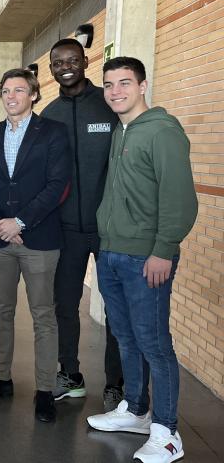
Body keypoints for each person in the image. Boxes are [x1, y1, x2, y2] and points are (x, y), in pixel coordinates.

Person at [87, 57, 197, 463]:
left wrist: (162, 249)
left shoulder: (163, 131)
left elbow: (180, 200)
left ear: (143, 85)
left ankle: (167, 433)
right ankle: (135, 409)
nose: (116, 91)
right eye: (110, 84)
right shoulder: (122, 129)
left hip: (145, 257)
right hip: (112, 251)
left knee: (154, 343)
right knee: (126, 337)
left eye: (124, 83)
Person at [0, 68, 72, 423]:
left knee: (43, 314)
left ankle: (45, 389)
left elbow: (58, 185)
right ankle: (1, 378)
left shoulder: (53, 133)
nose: (11, 96)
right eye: (6, 91)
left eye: (19, 90)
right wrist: (0, 225)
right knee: (1, 310)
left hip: (39, 239)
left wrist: (21, 222)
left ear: (33, 95)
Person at [40, 38, 124, 409]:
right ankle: (70, 375)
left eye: (73, 60)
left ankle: (116, 384)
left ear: (85, 61)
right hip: (66, 231)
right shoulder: (49, 115)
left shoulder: (108, 107)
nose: (66, 66)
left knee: (115, 308)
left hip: (108, 229)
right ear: (51, 69)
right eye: (58, 62)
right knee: (64, 305)